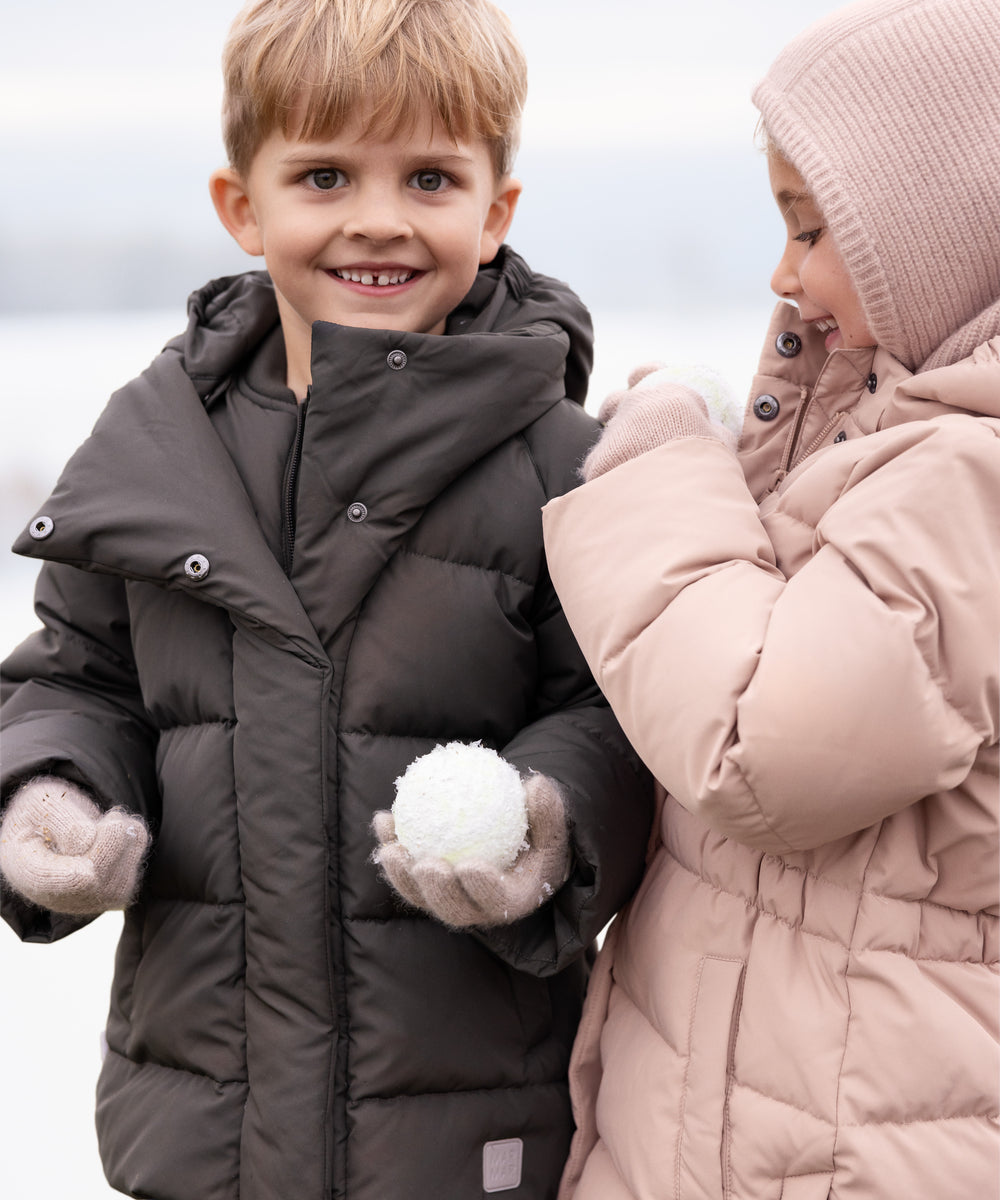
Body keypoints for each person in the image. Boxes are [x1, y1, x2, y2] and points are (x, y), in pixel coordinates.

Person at [0, 2, 653, 1197]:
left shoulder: (564, 467)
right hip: (202, 1138)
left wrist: (548, 819)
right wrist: (54, 791)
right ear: (242, 207)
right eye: (323, 176)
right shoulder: (152, 453)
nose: (378, 218)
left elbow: (616, 713)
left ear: (496, 210)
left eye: (429, 178)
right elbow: (77, 678)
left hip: (465, 1140)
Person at [541, 0, 1000, 1196]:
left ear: (946, 232)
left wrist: (655, 465)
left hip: (857, 1143)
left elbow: (761, 748)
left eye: (810, 229)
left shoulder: (971, 479)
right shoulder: (892, 441)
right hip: (737, 1118)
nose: (781, 275)